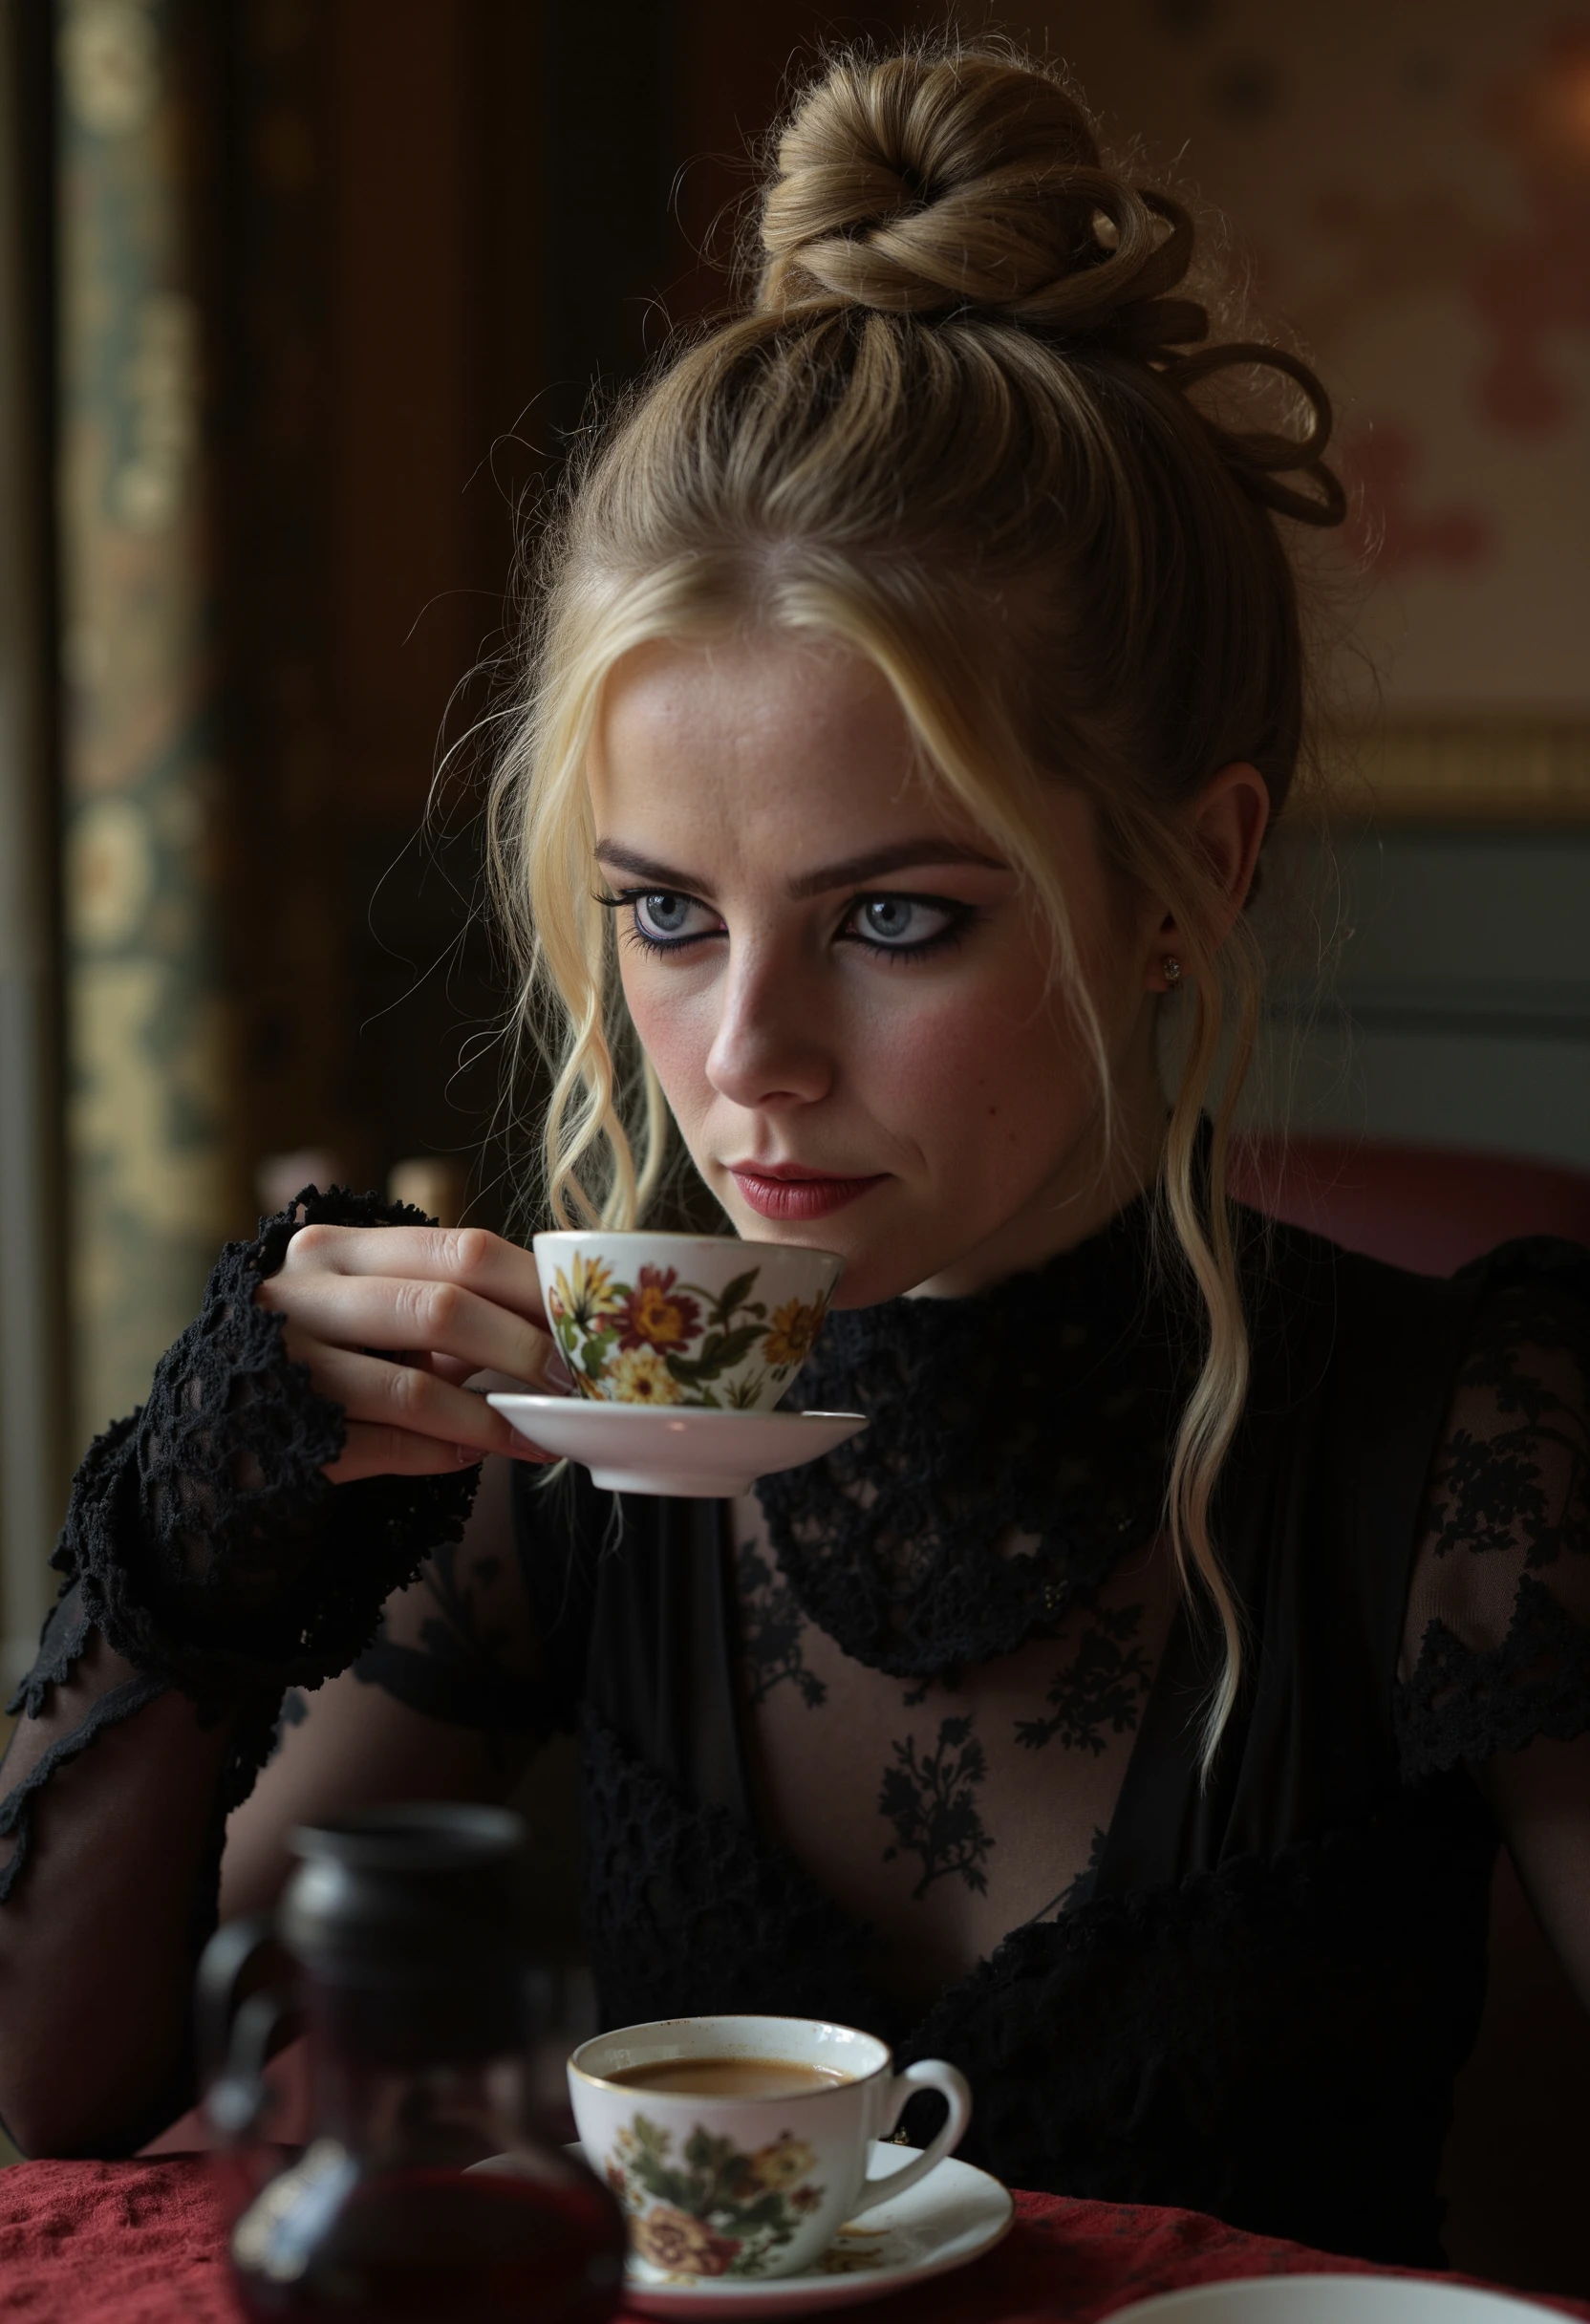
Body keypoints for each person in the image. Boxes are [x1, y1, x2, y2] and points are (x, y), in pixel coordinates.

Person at [0, 36, 1585, 2270]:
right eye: (663, 910)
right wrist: (204, 1506)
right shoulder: (569, 1466)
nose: (740, 1059)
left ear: (1183, 883)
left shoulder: (1465, 1463)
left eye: (895, 918)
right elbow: (60, 2093)